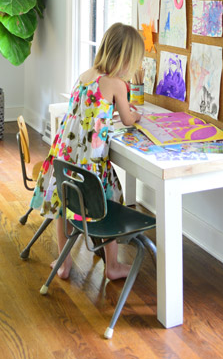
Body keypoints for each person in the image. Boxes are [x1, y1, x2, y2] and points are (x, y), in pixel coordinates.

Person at [30, 22, 144, 280]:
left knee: (63, 207)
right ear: (125, 60)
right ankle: (113, 266)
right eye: (134, 63)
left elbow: (88, 112)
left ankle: (63, 262)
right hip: (92, 164)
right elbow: (127, 119)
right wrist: (135, 116)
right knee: (109, 202)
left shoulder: (85, 75)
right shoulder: (117, 85)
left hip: (66, 157)